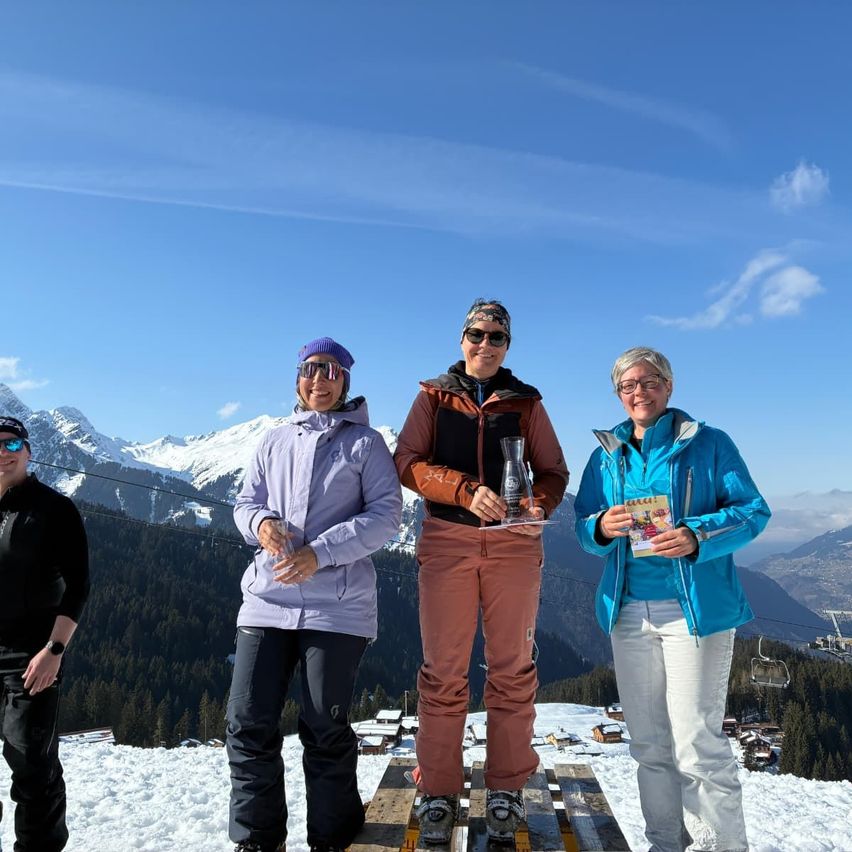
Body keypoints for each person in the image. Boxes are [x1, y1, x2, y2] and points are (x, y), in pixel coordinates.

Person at [574, 347, 771, 852]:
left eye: (649, 381)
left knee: (697, 748)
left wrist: (696, 535)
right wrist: (599, 526)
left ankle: (721, 846)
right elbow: (582, 527)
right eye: (628, 385)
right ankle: (666, 843)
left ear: (669, 385)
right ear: (619, 395)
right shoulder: (605, 455)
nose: (639, 392)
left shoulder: (708, 443)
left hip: (694, 614)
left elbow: (753, 511)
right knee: (649, 747)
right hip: (628, 613)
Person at [394, 300, 568, 843]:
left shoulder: (527, 402)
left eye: (496, 337)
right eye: (476, 334)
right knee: (443, 671)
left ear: (507, 345)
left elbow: (554, 472)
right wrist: (465, 491)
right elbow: (407, 463)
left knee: (512, 669)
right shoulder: (431, 396)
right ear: (461, 338)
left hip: (515, 545)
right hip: (447, 540)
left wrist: (537, 504)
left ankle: (506, 786)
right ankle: (439, 788)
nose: (485, 344)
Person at [228, 337, 402, 852]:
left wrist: (320, 554)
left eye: (330, 372)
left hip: (337, 606)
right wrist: (260, 524)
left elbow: (386, 516)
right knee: (246, 721)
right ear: (298, 379)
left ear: (345, 380)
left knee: (324, 726)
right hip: (267, 597)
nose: (319, 380)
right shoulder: (273, 439)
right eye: (309, 371)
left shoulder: (366, 445)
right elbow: (244, 501)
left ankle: (334, 840)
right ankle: (258, 841)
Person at [0, 415, 90, 852]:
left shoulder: (54, 509)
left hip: (31, 656)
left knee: (32, 766)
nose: (2, 452)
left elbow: (78, 585)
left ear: (29, 452)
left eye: (12, 445)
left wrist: (54, 650)